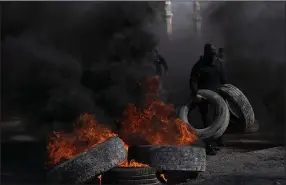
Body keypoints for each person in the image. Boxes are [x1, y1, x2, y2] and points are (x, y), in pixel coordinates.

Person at [189, 43, 226, 155]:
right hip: (203, 96)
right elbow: (193, 81)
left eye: (214, 54)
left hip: (217, 95)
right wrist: (195, 93)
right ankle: (209, 145)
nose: (213, 57)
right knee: (207, 120)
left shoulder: (218, 63)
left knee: (219, 117)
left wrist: (226, 90)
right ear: (206, 54)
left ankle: (218, 140)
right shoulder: (199, 66)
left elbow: (223, 78)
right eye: (211, 54)